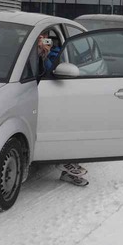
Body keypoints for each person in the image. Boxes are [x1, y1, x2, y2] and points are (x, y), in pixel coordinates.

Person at [36, 32, 89, 186]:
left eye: (45, 37)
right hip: (33, 95)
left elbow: (50, 73)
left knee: (71, 126)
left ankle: (68, 166)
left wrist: (44, 54)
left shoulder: (57, 52)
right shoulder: (23, 51)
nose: (43, 40)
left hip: (57, 94)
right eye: (39, 38)